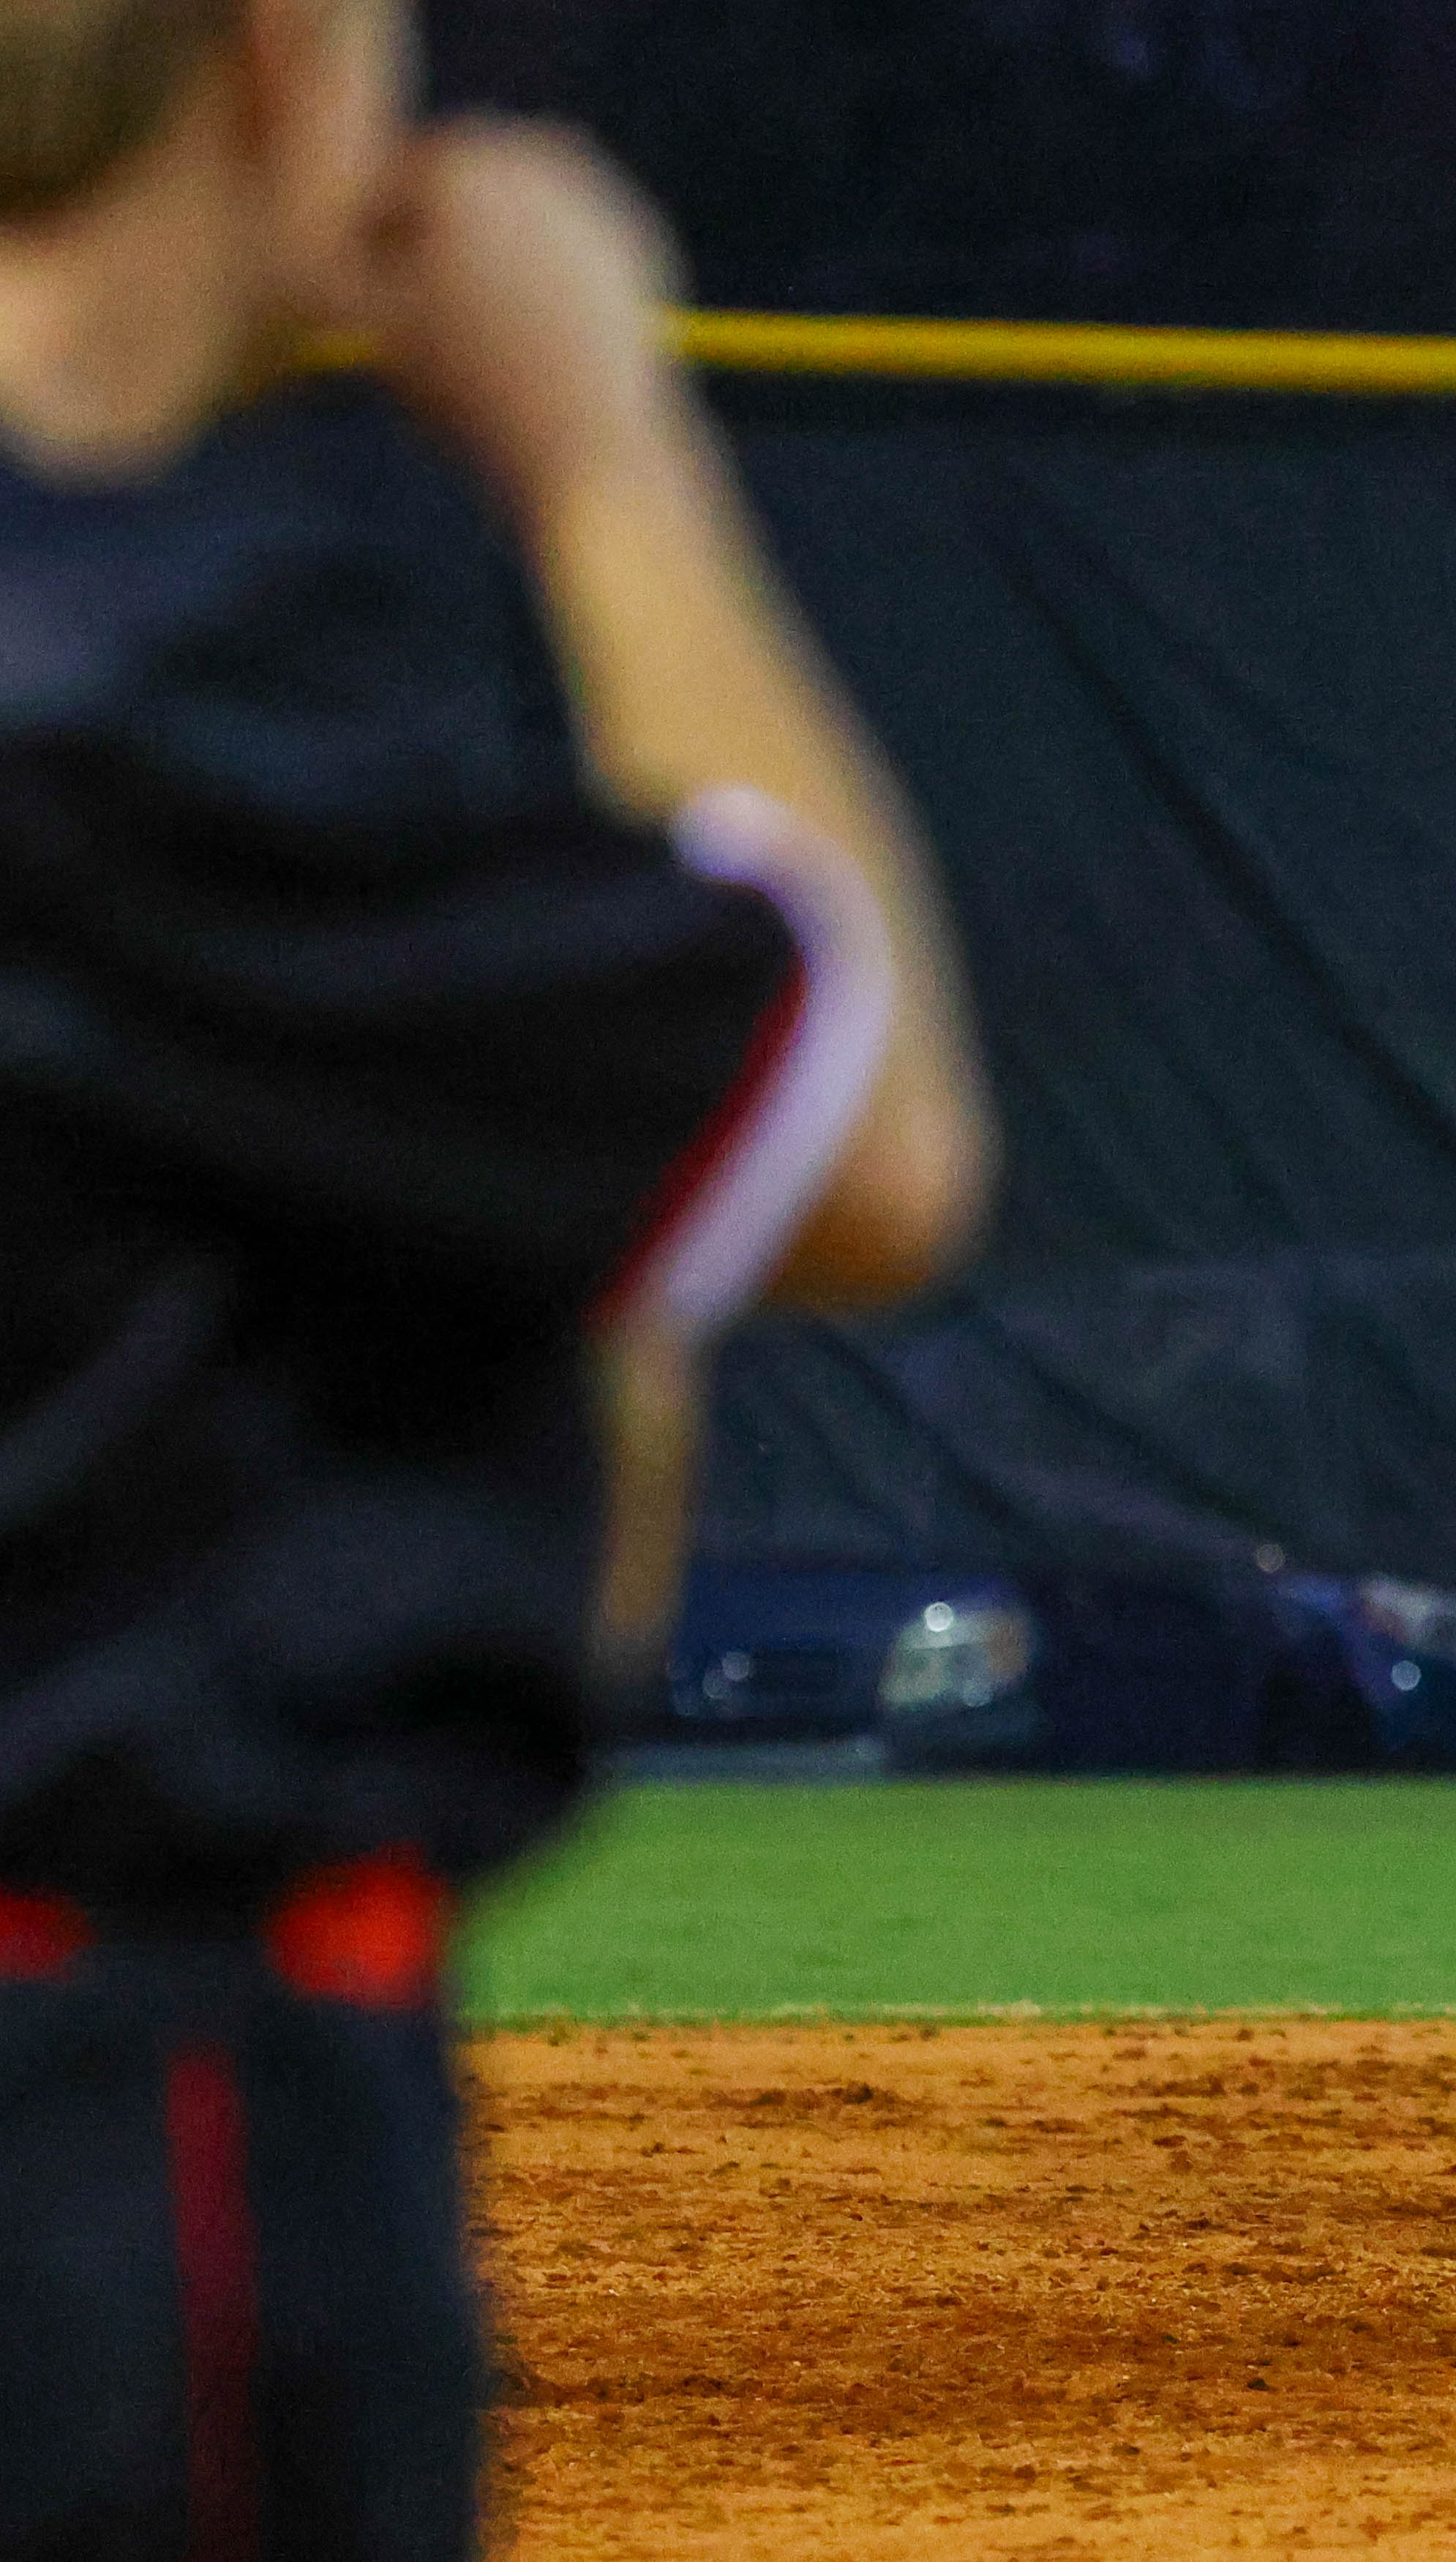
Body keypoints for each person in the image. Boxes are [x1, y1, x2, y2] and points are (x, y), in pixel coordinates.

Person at [0, 0, 994, 2546]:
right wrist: (603, 451)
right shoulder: (158, 681)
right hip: (124, 2124)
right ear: (276, 66)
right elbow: (868, 1143)